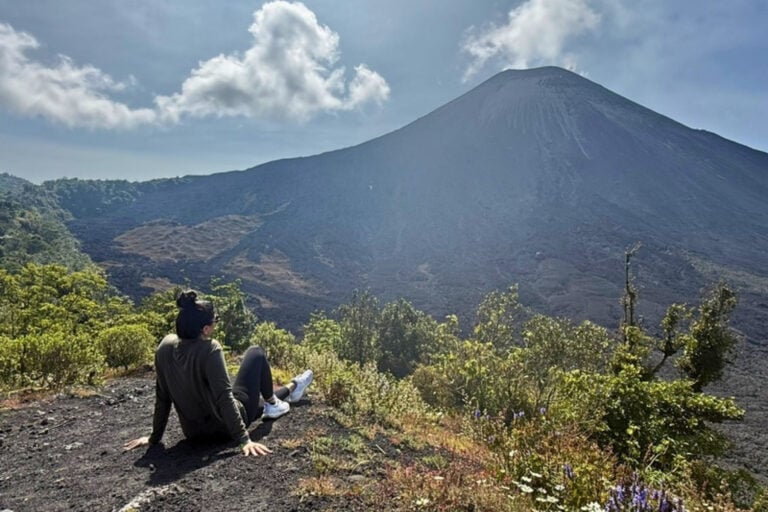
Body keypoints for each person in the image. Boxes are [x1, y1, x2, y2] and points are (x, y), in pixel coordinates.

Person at [123, 290, 313, 457]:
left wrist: (154, 438)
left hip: (194, 434)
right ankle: (274, 402)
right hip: (224, 429)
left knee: (257, 405)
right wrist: (244, 439)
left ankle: (294, 386)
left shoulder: (164, 347)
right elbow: (224, 397)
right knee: (256, 353)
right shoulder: (209, 348)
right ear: (205, 329)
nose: (215, 325)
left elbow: (162, 398)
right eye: (215, 321)